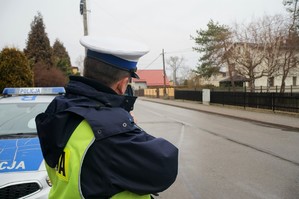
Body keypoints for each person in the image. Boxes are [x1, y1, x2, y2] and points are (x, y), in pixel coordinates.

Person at [35, 36, 178, 199]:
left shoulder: (58, 108)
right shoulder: (110, 133)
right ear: (122, 84)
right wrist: (128, 125)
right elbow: (165, 166)